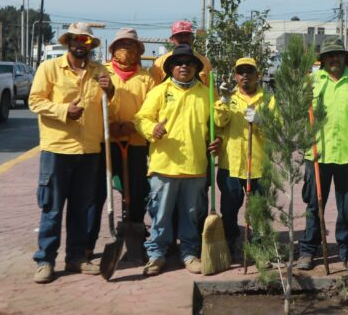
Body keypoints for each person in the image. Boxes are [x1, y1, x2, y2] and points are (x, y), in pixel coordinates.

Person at [29, 22, 115, 283]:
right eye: (76, 40)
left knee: (81, 209)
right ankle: (45, 260)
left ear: (91, 45)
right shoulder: (49, 68)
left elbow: (106, 101)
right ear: (68, 42)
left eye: (86, 41)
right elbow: (35, 101)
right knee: (52, 209)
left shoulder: (99, 71)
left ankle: (76, 257)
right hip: (58, 148)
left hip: (89, 150)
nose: (81, 44)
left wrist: (110, 90)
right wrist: (65, 111)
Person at [134, 44, 221, 276]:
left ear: (196, 68)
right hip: (164, 166)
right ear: (171, 67)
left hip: (195, 167)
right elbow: (140, 119)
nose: (184, 66)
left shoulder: (207, 93)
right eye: (179, 63)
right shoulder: (159, 92)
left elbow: (216, 125)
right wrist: (153, 128)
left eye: (189, 63)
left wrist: (217, 139)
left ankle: (189, 254)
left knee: (191, 216)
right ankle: (156, 255)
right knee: (160, 216)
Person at [299, 37, 348, 274]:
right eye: (329, 55)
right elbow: (297, 115)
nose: (334, 59)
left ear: (345, 57)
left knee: (347, 209)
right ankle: (308, 250)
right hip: (317, 156)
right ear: (322, 60)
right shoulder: (310, 83)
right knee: (313, 206)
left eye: (338, 55)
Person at [88, 28, 155, 261]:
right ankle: (88, 244)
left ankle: (135, 231)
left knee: (137, 193)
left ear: (139, 50)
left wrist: (133, 125)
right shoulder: (102, 73)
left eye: (131, 45)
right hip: (106, 142)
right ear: (113, 49)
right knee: (99, 193)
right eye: (122, 44)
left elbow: (152, 109)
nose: (127, 49)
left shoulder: (147, 79)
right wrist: (111, 126)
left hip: (136, 142)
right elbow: (94, 104)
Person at [214, 57, 275, 261]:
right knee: (229, 208)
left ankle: (259, 247)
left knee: (258, 210)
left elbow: (276, 129)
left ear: (257, 75)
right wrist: (223, 102)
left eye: (250, 71)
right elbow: (218, 122)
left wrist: (260, 121)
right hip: (230, 164)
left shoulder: (268, 100)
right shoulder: (228, 98)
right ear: (235, 76)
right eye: (241, 71)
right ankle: (231, 242)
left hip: (257, 164)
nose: (245, 75)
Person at [149, 20, 211, 86]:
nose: (184, 39)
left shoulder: (204, 62)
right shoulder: (159, 63)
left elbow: (211, 91)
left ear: (193, 39)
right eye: (179, 35)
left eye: (187, 35)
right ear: (171, 39)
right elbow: (154, 90)